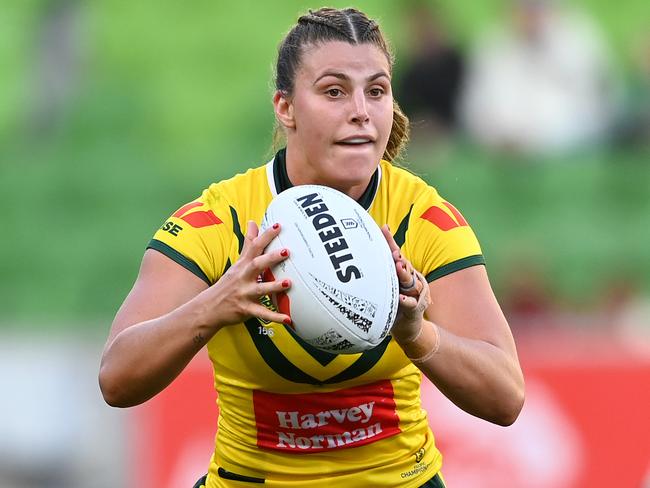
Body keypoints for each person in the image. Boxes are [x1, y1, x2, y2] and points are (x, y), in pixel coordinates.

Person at [99, 7, 524, 488]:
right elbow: (117, 377)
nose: (360, 110)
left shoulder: (421, 217)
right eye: (334, 91)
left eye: (377, 91)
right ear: (286, 107)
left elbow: (506, 396)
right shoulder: (224, 218)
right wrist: (215, 304)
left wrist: (415, 332)